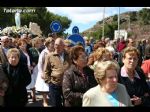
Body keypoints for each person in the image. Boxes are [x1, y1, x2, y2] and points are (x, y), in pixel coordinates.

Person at [44, 38, 71, 106]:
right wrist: (49, 82)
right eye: (55, 45)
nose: (56, 46)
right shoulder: (50, 56)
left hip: (67, 85)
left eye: (59, 45)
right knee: (56, 104)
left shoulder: (69, 55)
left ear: (63, 46)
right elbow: (46, 71)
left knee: (68, 104)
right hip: (54, 85)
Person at [35, 37, 55, 107]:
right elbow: (40, 64)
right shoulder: (44, 52)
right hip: (45, 71)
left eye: (53, 43)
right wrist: (41, 73)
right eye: (51, 43)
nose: (53, 45)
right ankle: (44, 101)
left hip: (53, 72)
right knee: (44, 88)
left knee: (52, 87)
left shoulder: (55, 51)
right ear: (47, 44)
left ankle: (53, 100)